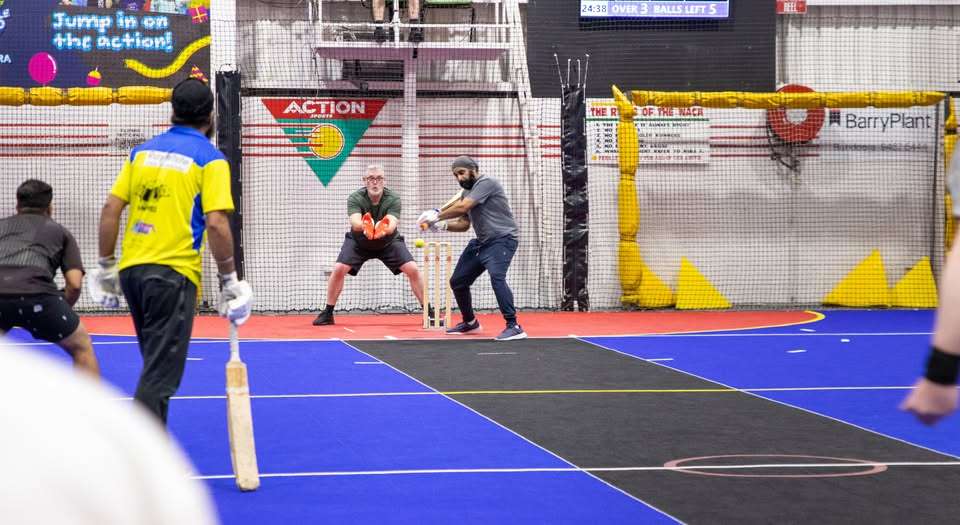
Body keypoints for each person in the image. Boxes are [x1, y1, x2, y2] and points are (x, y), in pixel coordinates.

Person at [94, 77, 253, 426]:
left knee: (154, 366)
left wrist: (105, 268)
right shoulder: (210, 159)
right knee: (161, 376)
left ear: (173, 112)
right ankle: (140, 464)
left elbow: (110, 210)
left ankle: (154, 450)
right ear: (210, 117)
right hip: (171, 274)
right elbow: (216, 224)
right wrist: (229, 279)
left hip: (132, 272)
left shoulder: (141, 153)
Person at [0, 340, 217, 525]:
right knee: (158, 370)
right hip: (171, 290)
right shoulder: (105, 428)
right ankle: (149, 443)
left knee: (152, 360)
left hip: (140, 292)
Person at [418, 156, 527, 341]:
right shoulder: (465, 193)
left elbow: (463, 207)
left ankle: (514, 326)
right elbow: (463, 223)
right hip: (482, 243)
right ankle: (470, 323)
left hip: (503, 239)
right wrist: (443, 226)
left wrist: (437, 215)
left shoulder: (487, 183)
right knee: (458, 281)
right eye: (456, 175)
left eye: (462, 173)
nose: (459, 178)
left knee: (497, 278)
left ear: (473, 169)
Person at [0, 179, 100, 378]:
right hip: (39, 296)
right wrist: (60, 307)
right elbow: (74, 284)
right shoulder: (61, 232)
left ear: (17, 205)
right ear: (50, 208)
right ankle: (87, 409)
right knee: (82, 347)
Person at [313, 164, 428, 326]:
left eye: (379, 178)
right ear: (365, 181)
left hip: (388, 242)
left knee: (413, 269)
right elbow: (354, 221)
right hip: (359, 241)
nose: (375, 182)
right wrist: (365, 227)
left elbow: (392, 224)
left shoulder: (393, 198)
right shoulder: (355, 197)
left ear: (384, 180)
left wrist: (382, 229)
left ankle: (429, 311)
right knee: (338, 269)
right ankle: (328, 313)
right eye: (371, 179)